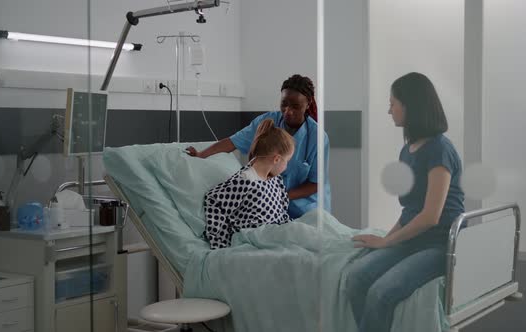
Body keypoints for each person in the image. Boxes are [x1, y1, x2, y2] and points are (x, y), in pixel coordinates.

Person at [346, 72, 465, 332]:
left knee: (381, 292)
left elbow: (430, 216)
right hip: (413, 240)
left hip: (440, 243)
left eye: (393, 103)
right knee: (355, 278)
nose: (389, 110)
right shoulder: (408, 149)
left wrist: (387, 242)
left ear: (411, 106)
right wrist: (384, 242)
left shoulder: (440, 150)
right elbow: (410, 210)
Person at [187, 74, 330, 219]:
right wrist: (201, 155)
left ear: (308, 103)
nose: (288, 111)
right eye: (284, 104)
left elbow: (315, 184)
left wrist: (278, 196)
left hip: (306, 210)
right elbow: (232, 142)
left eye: (295, 106)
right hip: (270, 209)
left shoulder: (317, 137)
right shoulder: (267, 122)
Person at [203, 119, 294, 249]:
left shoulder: (275, 180)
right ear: (277, 159)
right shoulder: (246, 180)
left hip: (275, 234)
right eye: (287, 161)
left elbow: (282, 212)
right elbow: (214, 200)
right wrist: (221, 242)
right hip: (255, 239)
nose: (286, 166)